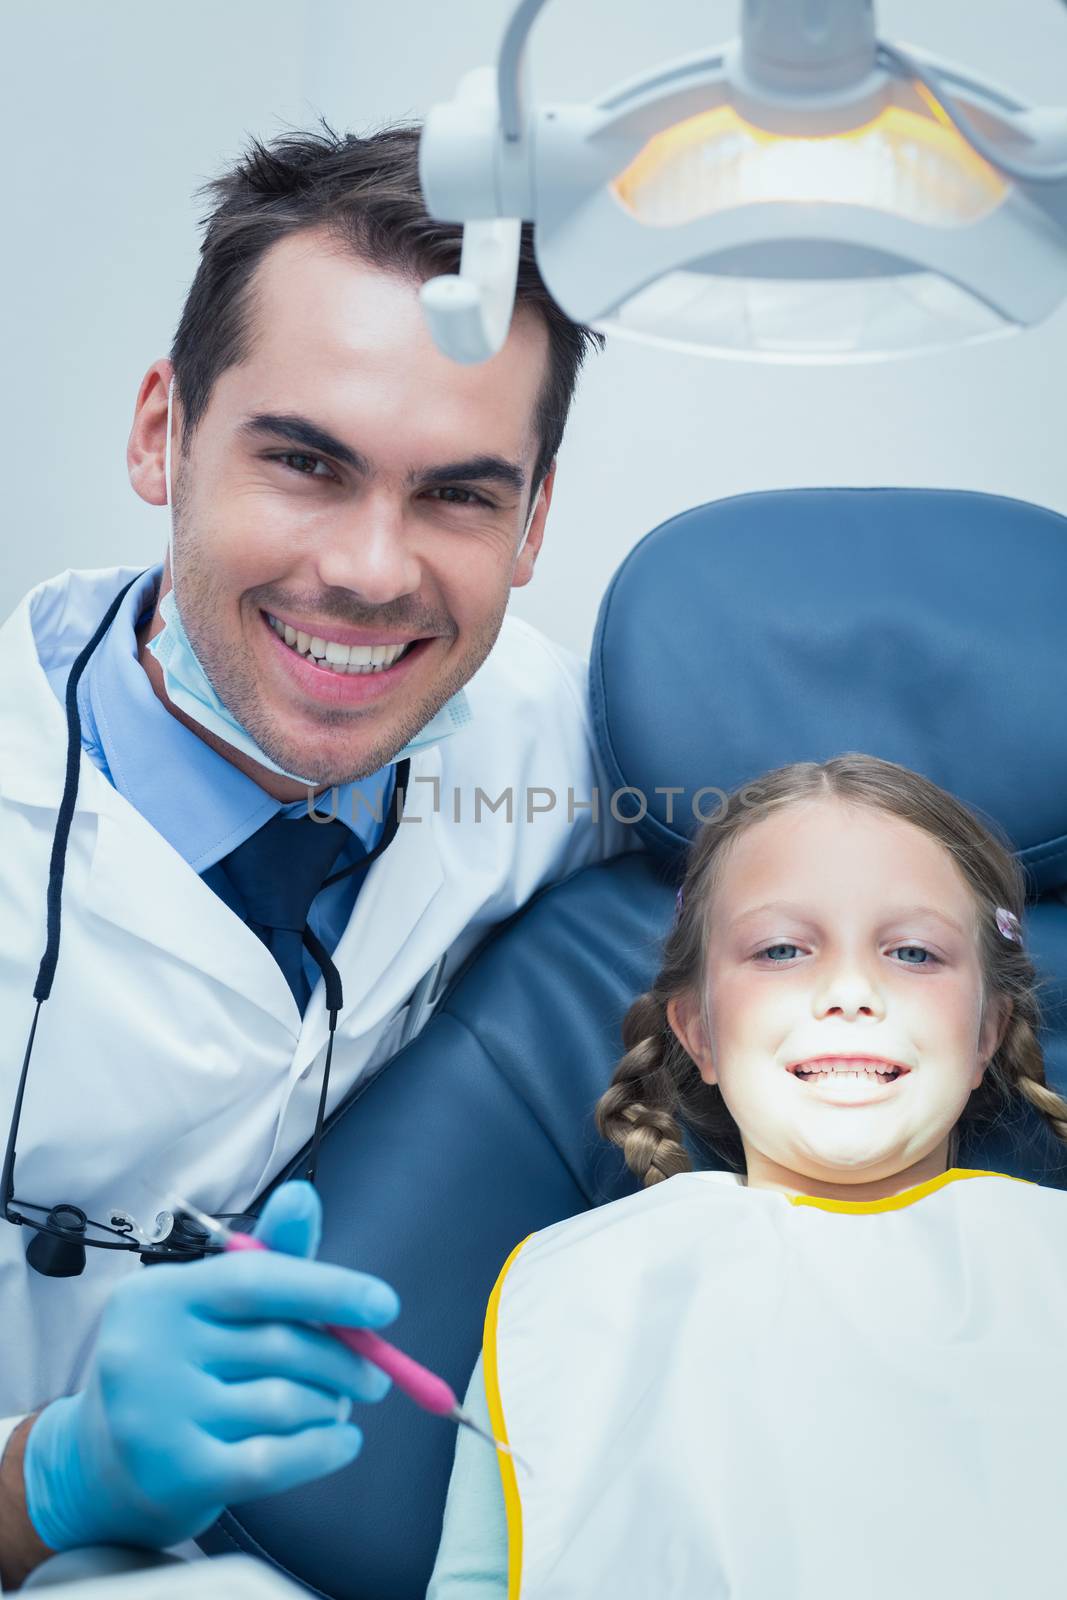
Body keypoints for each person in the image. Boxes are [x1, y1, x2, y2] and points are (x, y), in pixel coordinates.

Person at [0, 123, 631, 1585]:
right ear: (162, 430)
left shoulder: (553, 743)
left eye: (458, 494)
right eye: (304, 462)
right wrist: (59, 1470)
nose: (367, 569)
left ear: (532, 522)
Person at [427, 752, 1067, 1599]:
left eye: (912, 952)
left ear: (987, 1031)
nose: (849, 990)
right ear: (697, 1030)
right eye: (779, 949)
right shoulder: (577, 1299)